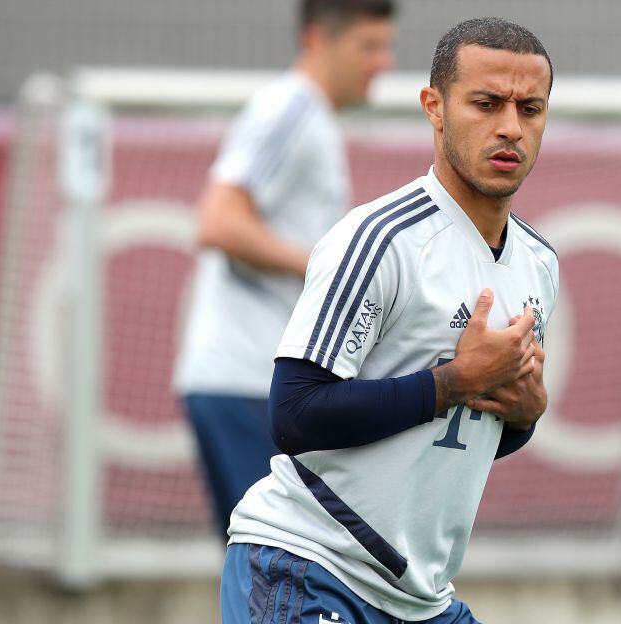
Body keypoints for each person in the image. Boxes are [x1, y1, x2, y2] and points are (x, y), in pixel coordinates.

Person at [220, 17, 559, 624]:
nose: (510, 127)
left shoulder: (538, 265)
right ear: (434, 106)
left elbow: (469, 436)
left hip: (420, 600)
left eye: (530, 108)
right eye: (486, 104)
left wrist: (525, 414)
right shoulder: (379, 240)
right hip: (312, 566)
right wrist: (454, 380)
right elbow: (293, 416)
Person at [174, 0, 396, 535]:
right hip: (245, 379)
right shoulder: (291, 109)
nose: (382, 62)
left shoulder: (311, 117)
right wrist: (330, 270)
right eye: (368, 46)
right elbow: (219, 222)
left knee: (270, 574)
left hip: (254, 385)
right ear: (318, 40)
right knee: (279, 571)